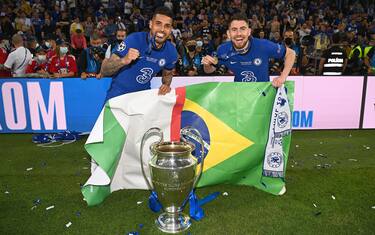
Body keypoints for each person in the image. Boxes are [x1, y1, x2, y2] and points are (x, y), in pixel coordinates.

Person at [100, 6, 178, 100]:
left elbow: (168, 74)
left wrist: (166, 85)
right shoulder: (134, 40)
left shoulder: (171, 52)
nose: (162, 29)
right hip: (117, 98)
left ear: (171, 29)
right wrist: (124, 60)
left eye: (167, 26)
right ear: (150, 24)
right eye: (158, 24)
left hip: (142, 100)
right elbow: (105, 70)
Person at [202, 13, 295, 87]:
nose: (239, 33)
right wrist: (207, 65)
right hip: (239, 97)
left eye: (242, 29)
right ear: (228, 34)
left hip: (262, 98)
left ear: (249, 32)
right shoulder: (223, 49)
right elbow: (210, 70)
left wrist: (283, 77)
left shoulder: (263, 45)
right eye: (234, 29)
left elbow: (291, 53)